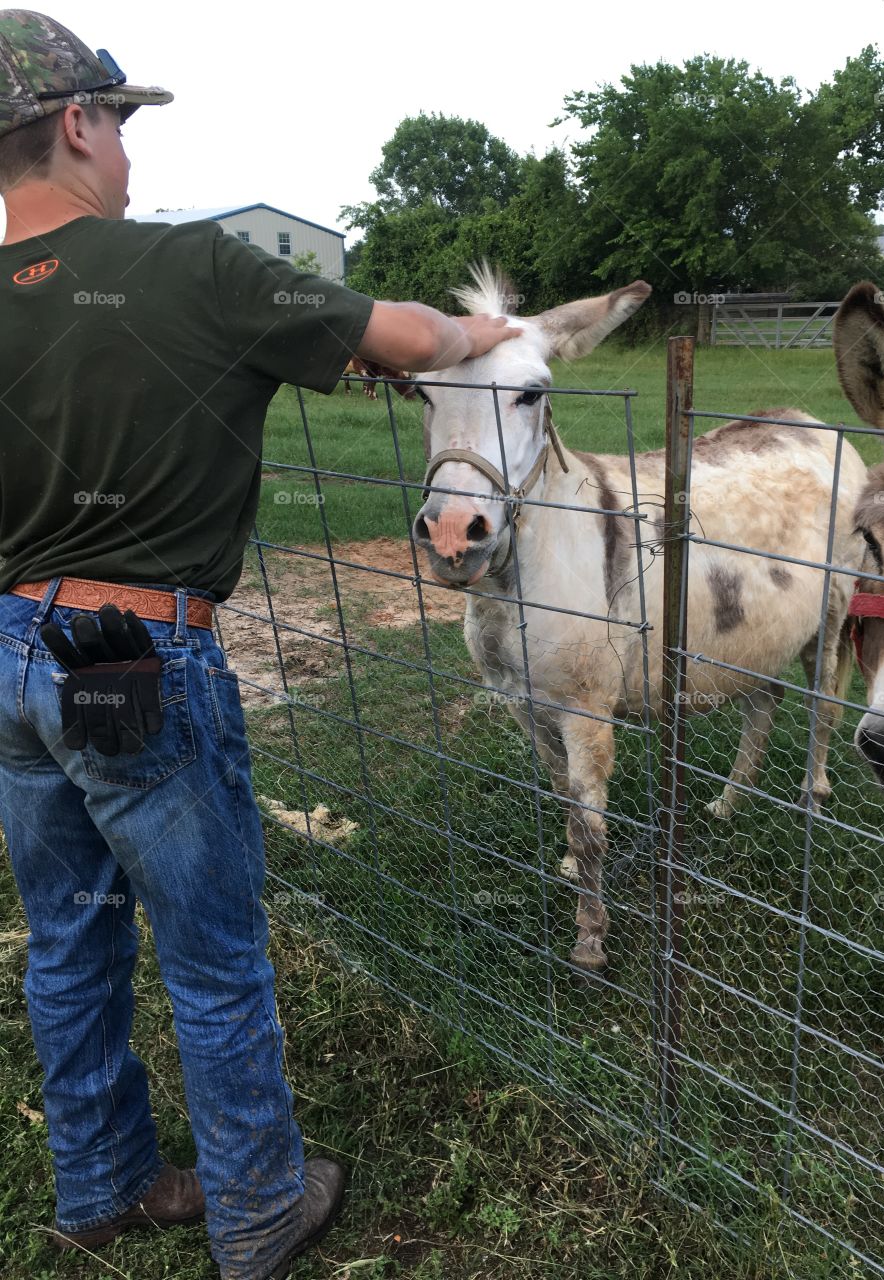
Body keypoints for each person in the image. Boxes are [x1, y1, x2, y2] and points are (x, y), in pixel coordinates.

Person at [0, 10, 518, 1279]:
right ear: (76, 121)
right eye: (122, 124)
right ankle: (258, 1207)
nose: (129, 154)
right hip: (139, 657)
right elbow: (403, 336)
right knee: (215, 948)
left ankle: (105, 1179)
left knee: (69, 934)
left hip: (10, 649)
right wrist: (479, 341)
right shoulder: (195, 264)